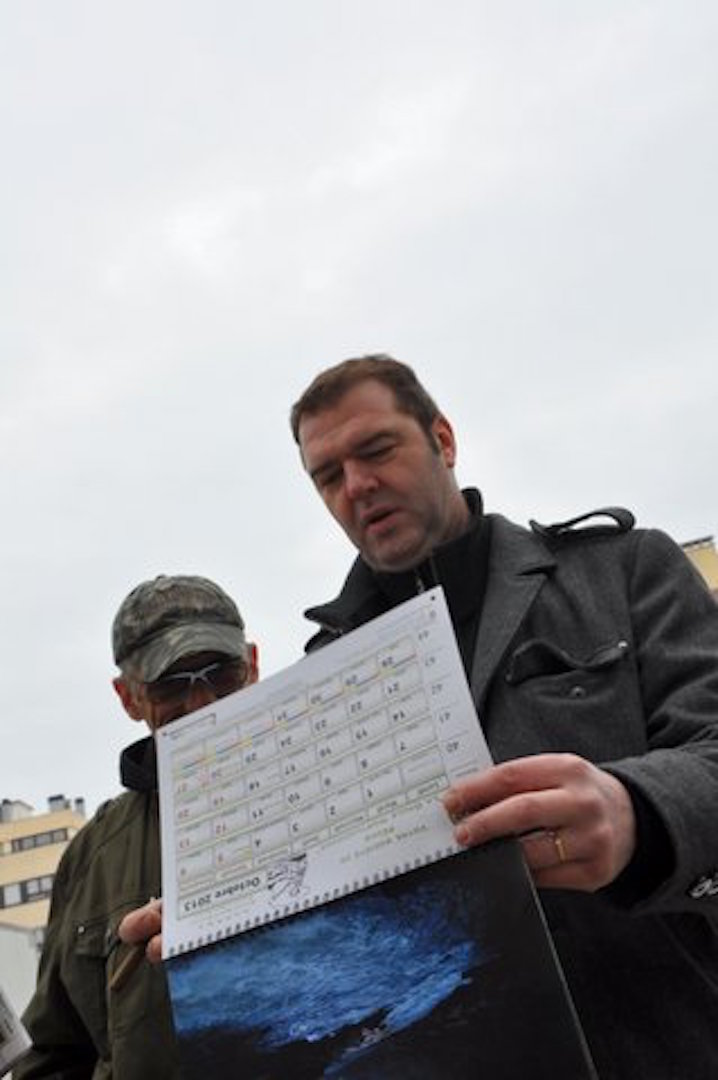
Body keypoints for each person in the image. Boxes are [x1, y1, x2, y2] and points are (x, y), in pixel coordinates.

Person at [286, 355, 718, 1079]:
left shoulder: (622, 569)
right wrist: (219, 928)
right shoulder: (320, 687)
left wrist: (638, 811)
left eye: (377, 449)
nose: (356, 486)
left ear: (443, 440)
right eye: (328, 476)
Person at [15, 574, 258, 1080]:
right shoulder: (92, 856)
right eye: (171, 683)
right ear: (128, 698)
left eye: (221, 673)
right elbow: (53, 1053)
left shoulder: (335, 789)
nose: (201, 703)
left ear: (252, 666)